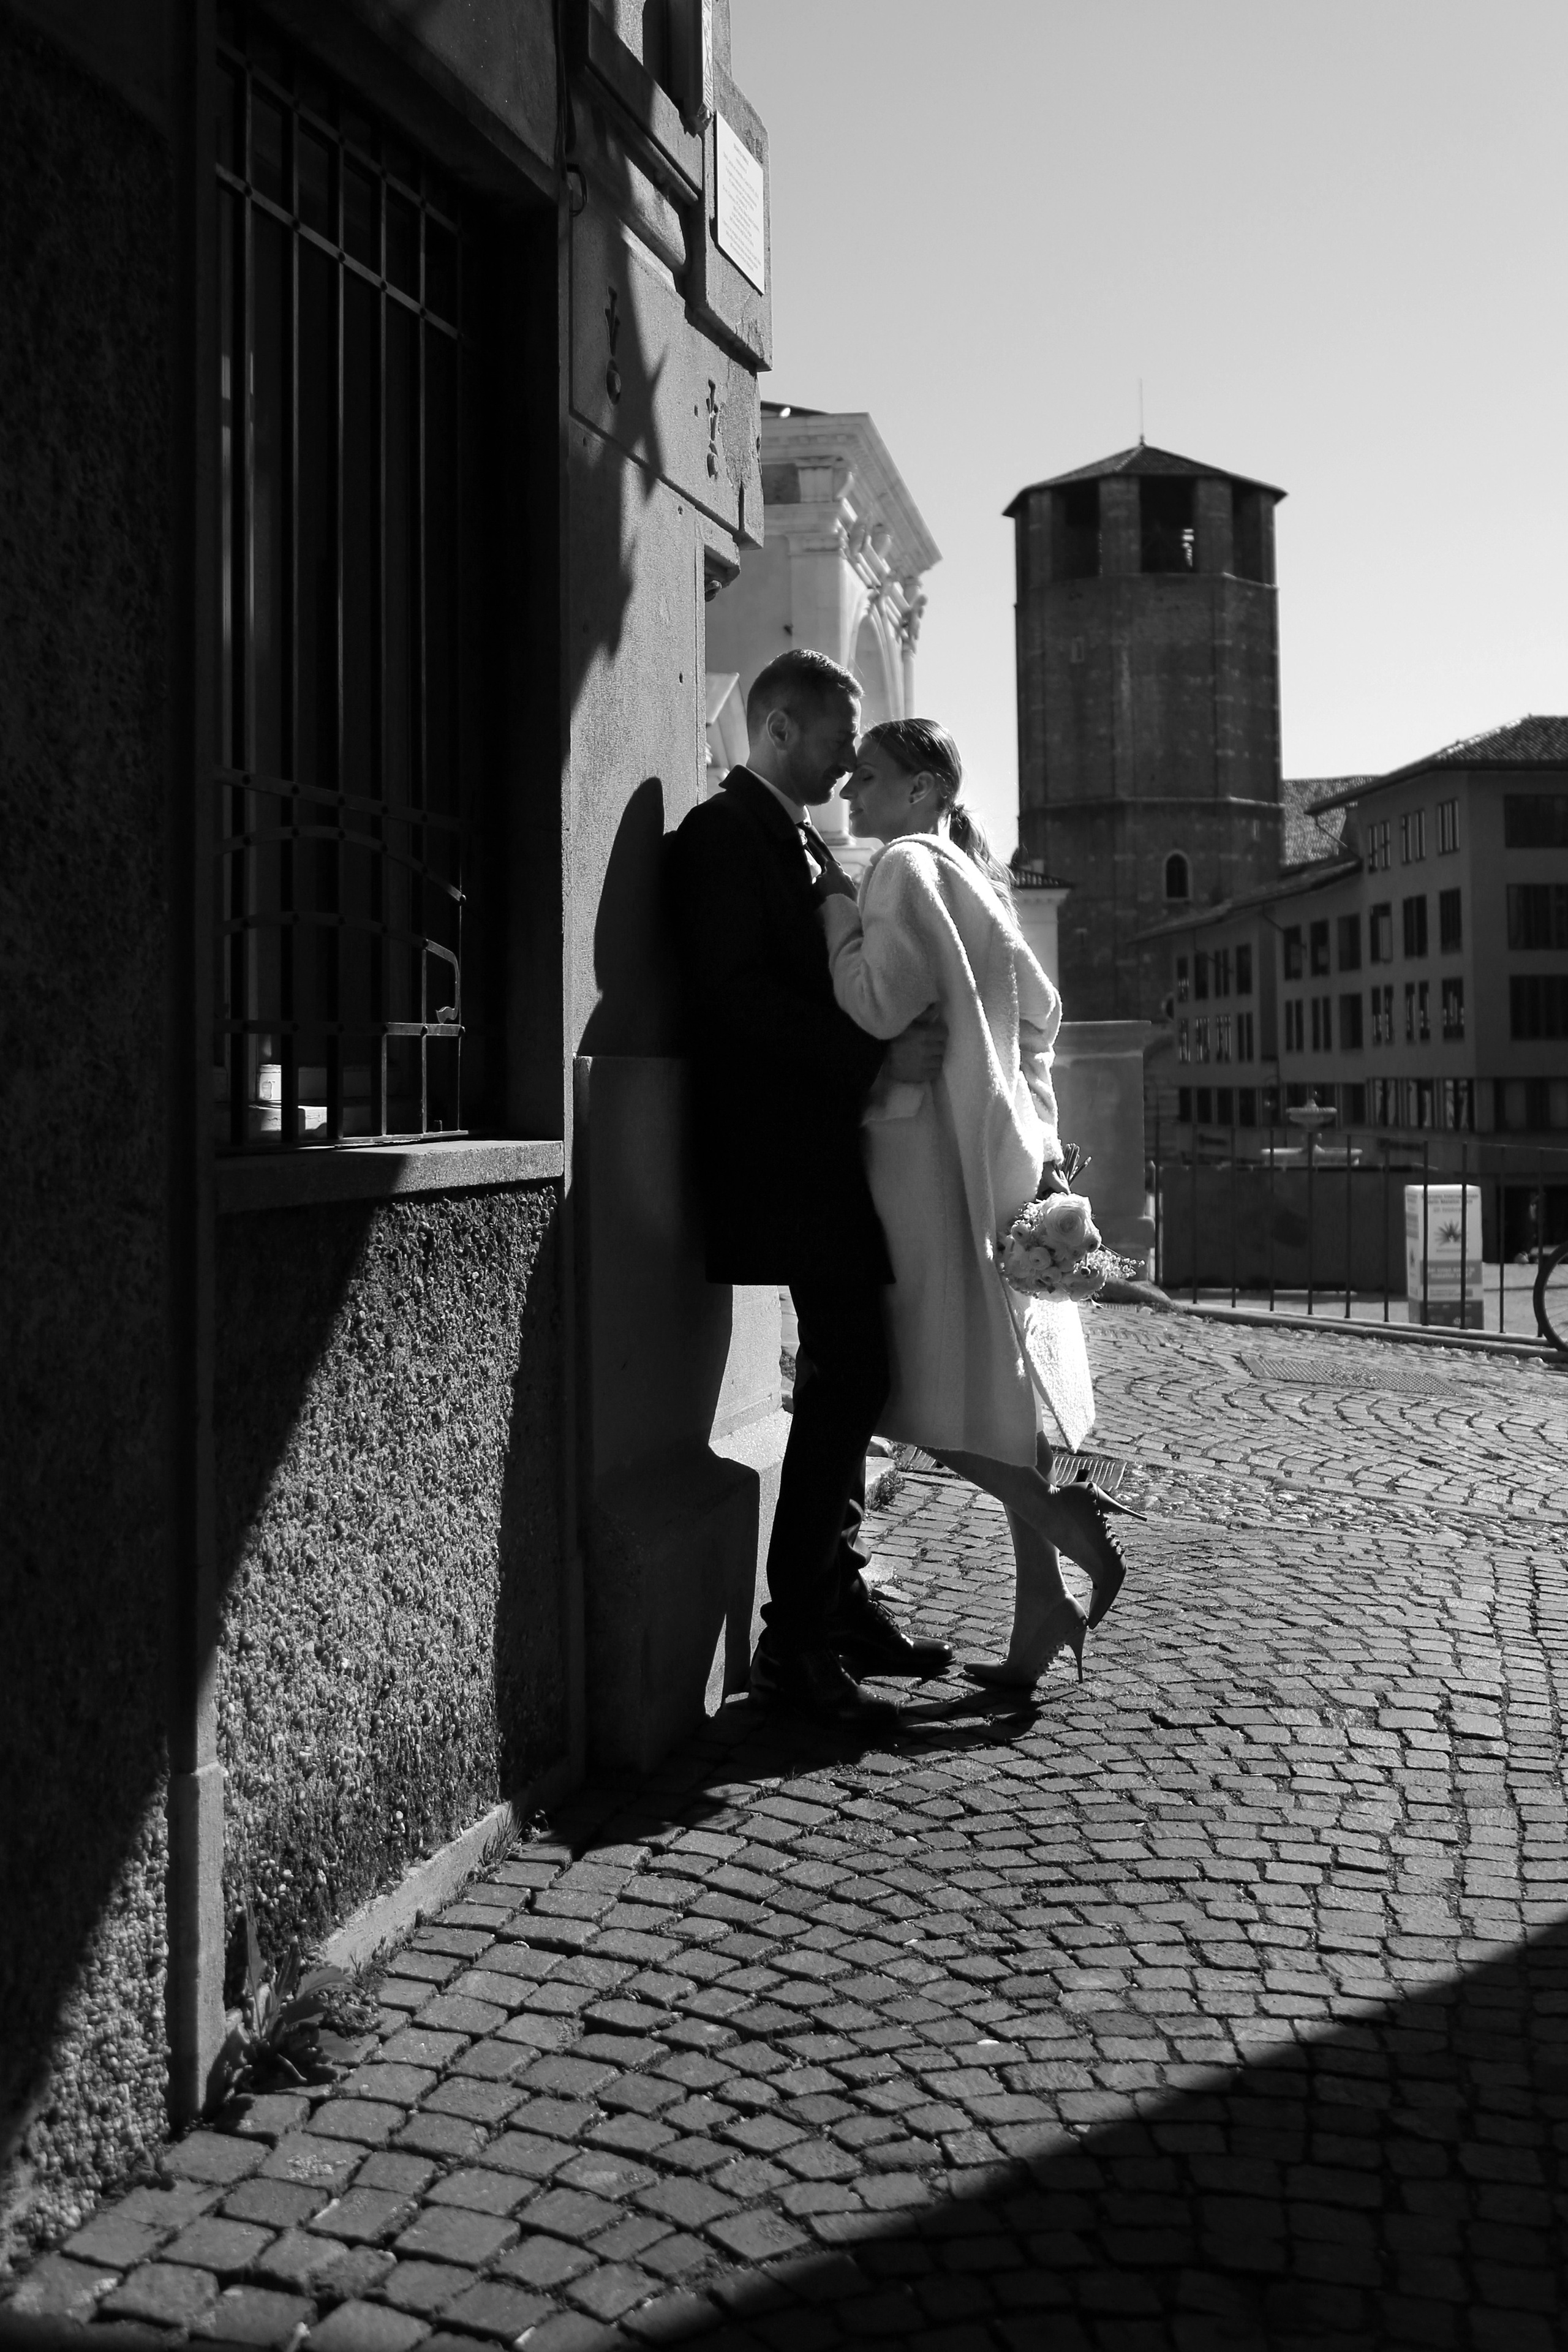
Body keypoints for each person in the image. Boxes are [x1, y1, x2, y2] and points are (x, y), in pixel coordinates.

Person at [817, 718, 1138, 1689]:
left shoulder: (902, 867)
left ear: (920, 791)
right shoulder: (977, 881)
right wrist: (1028, 1119)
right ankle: (1039, 1603)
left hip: (922, 1165)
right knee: (991, 1386)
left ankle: (1067, 1521)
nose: (848, 793)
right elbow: (1044, 1011)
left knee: (912, 1384)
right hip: (989, 1156)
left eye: (867, 777)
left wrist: (834, 922)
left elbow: (875, 1003)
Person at [668, 650, 955, 1726]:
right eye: (840, 735)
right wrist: (872, 1064)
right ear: (780, 731)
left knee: (855, 1377)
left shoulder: (793, 839)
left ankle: (832, 1609)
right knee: (851, 1376)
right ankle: (798, 1642)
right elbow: (732, 999)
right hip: (774, 1155)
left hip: (816, 1152)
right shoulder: (719, 836)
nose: (851, 754)